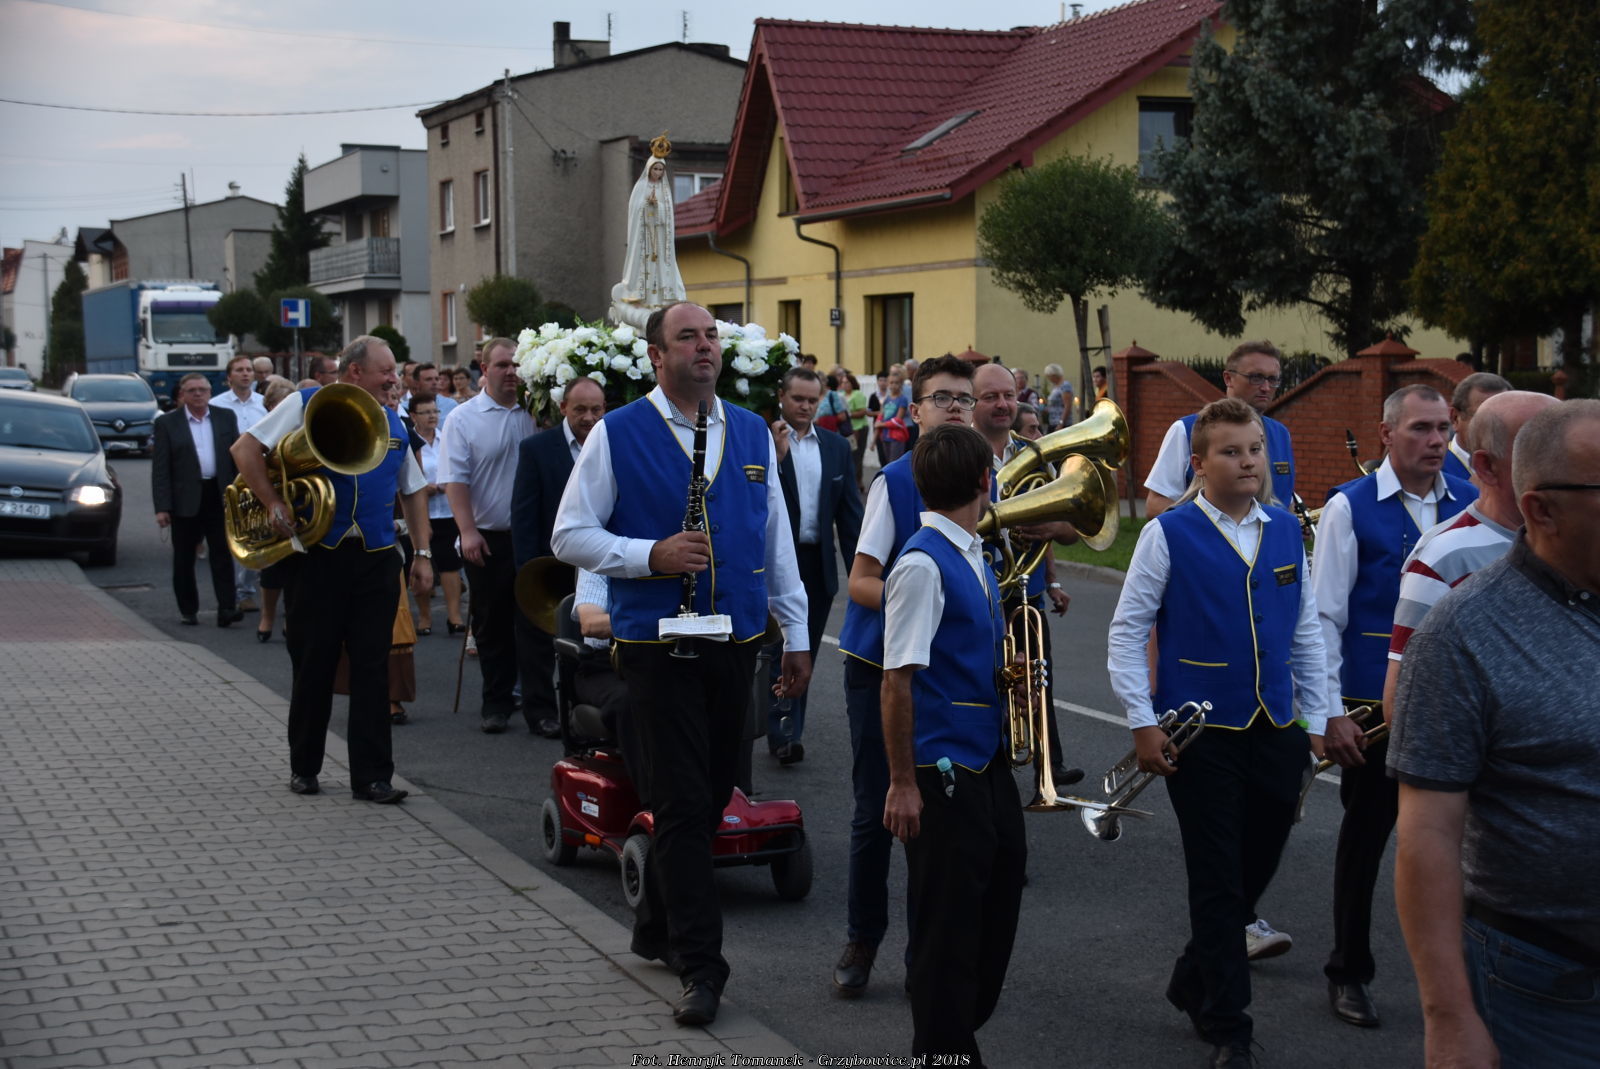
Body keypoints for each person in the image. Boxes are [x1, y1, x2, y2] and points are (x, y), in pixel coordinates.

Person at [550, 301, 810, 1028]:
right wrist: (649, 556)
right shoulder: (618, 431)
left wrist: (796, 633)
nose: (705, 346)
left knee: (714, 790)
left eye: (711, 336)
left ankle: (654, 926)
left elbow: (775, 540)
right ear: (657, 357)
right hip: (656, 648)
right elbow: (568, 534)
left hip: (735, 640)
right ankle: (702, 967)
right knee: (682, 804)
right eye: (688, 336)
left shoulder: (752, 430)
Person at [1106, 398, 1329, 1069]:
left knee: (1255, 864)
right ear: (1199, 465)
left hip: (1276, 726)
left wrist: (1317, 719)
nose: (1248, 462)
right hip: (1199, 734)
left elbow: (1305, 629)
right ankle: (1230, 1024)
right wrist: (1141, 721)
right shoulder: (1167, 533)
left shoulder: (1286, 529)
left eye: (1255, 449)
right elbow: (1126, 631)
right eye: (1231, 452)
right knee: (1216, 876)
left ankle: (1191, 973)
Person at [1390, 399, 1600, 1069]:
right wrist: (1448, 1015)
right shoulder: (1463, 632)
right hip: (1546, 986)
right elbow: (1427, 835)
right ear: (1542, 510)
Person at [1312, 383, 1477, 1028]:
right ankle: (1348, 970)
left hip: (1457, 698)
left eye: (1443, 429)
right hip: (1370, 702)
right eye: (1420, 429)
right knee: (1366, 838)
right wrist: (1328, 711)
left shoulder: (1469, 499)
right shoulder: (1349, 507)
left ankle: (1472, 976)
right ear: (1386, 434)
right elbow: (1325, 616)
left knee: (1464, 842)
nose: (1436, 441)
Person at [231, 334, 433, 805]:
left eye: (395, 371)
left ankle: (372, 777)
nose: (394, 379)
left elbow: (414, 489)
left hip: (377, 558)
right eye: (386, 371)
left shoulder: (395, 423)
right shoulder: (305, 404)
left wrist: (422, 554)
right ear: (355, 371)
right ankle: (305, 767)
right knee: (313, 665)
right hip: (317, 556)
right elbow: (245, 449)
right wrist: (273, 502)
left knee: (372, 669)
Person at [833, 353, 977, 999]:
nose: (956, 408)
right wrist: (924, 600)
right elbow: (861, 580)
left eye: (964, 399)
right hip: (880, 668)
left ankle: (930, 954)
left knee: (941, 821)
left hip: (948, 679)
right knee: (877, 809)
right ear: (914, 411)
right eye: (942, 398)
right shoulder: (894, 481)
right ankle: (862, 938)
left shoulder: (983, 477)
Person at [881, 423, 1023, 1066]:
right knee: (947, 928)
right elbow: (896, 682)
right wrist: (902, 782)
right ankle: (943, 1049)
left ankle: (954, 1032)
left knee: (998, 894)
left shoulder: (973, 553)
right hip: (942, 769)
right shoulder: (921, 564)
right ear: (985, 481)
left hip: (983, 759)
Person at [1381, 391, 1559, 714]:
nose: (1565, 465)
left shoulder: (1577, 547)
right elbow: (1405, 705)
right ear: (1487, 467)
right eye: (1541, 451)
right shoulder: (1443, 558)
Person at [971, 364, 1078, 786]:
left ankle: (1049, 766)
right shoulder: (961, 451)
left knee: (1037, 677)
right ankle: (989, 768)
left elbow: (1069, 530)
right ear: (972, 402)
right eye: (991, 397)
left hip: (1024, 591)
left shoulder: (1035, 456)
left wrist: (1052, 567)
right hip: (977, 591)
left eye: (1008, 396)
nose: (1003, 404)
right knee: (984, 681)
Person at [437, 336, 538, 735]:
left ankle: (540, 707)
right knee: (492, 625)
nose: (511, 372)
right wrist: (467, 531)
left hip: (533, 537)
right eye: (502, 365)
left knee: (535, 624)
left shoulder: (538, 411)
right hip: (488, 537)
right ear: (484, 369)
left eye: (516, 365)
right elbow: (455, 479)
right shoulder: (464, 418)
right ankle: (496, 703)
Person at [766, 367, 864, 763]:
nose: (805, 407)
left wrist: (862, 573)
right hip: (772, 563)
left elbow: (850, 516)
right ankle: (771, 727)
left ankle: (787, 730)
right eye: (798, 399)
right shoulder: (764, 439)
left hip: (817, 564)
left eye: (812, 400)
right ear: (782, 397)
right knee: (774, 649)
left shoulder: (835, 447)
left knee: (802, 650)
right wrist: (775, 457)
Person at [510, 375, 607, 739]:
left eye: (596, 409)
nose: (589, 417)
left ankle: (580, 711)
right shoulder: (536, 448)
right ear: (563, 407)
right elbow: (523, 513)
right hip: (548, 565)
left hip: (597, 562)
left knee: (587, 643)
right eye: (580, 409)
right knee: (536, 642)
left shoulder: (613, 443)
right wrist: (528, 573)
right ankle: (540, 712)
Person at [1145, 341, 1296, 518]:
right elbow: (1156, 505)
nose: (1266, 387)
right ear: (1228, 378)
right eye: (1256, 377)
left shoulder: (1281, 434)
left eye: (1273, 379)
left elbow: (1286, 502)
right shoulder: (1186, 429)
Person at [152, 373, 241, 628]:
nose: (198, 394)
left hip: (218, 493)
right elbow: (161, 468)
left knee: (222, 554)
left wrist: (240, 493)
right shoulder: (167, 423)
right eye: (192, 390)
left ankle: (227, 608)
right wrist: (162, 507)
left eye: (203, 389)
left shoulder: (225, 417)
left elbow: (236, 457)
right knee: (184, 558)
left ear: (210, 392)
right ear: (182, 395)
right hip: (184, 498)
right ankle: (188, 609)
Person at [210, 355, 270, 612]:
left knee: (255, 533)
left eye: (248, 370)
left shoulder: (263, 404)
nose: (245, 374)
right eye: (239, 370)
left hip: (258, 475)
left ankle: (246, 590)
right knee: (233, 533)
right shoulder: (216, 405)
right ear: (229, 377)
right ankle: (233, 591)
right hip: (230, 476)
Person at [408, 393, 466, 640]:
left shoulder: (446, 439)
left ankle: (454, 616)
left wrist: (446, 484)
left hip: (447, 511)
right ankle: (425, 617)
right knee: (422, 563)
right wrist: (425, 488)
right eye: (426, 412)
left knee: (450, 565)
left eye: (435, 411)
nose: (432, 416)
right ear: (414, 416)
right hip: (422, 513)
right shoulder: (411, 443)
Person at [610, 153, 686, 329]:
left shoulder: (664, 190)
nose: (658, 172)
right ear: (649, 169)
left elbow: (668, 215)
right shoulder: (641, 187)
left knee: (660, 267)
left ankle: (660, 300)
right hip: (644, 237)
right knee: (644, 267)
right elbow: (635, 211)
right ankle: (642, 299)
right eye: (655, 169)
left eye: (660, 169)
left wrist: (657, 205)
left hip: (659, 236)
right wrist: (647, 204)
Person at [254, 376, 301, 643]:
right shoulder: (260, 430)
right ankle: (267, 616)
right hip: (270, 500)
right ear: (270, 406)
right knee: (272, 566)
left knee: (297, 566)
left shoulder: (301, 430)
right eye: (279, 404)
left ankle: (290, 618)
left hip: (298, 501)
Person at [1443, 371, 1512, 482]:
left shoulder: (1518, 470)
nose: (1494, 427)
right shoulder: (1434, 472)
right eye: (1483, 417)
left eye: (1503, 417)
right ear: (1455, 418)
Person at [875, 367, 913, 466]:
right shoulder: (887, 399)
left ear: (901, 384)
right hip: (885, 435)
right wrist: (874, 438)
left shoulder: (902, 399)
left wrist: (881, 424)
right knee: (887, 463)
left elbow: (898, 420)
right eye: (891, 383)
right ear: (888, 384)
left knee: (895, 464)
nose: (893, 385)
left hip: (897, 436)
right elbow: (881, 415)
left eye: (896, 383)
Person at [846, 372, 870, 486]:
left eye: (847, 382)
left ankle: (857, 482)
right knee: (850, 455)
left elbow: (862, 411)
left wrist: (848, 415)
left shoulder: (857, 394)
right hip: (848, 429)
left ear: (852, 383)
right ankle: (856, 481)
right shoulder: (840, 394)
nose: (844, 385)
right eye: (843, 382)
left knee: (857, 455)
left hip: (859, 428)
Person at [1043, 363, 1074, 430]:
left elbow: (1067, 406)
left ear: (1054, 375)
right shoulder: (1056, 387)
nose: (1049, 379)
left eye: (1049, 376)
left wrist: (1061, 423)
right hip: (1053, 421)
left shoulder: (1065, 386)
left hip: (1061, 423)